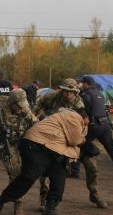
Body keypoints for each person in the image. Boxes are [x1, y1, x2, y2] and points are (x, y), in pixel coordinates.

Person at [0, 108, 89, 215]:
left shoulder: (65, 117)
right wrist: (84, 140)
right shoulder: (74, 116)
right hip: (36, 145)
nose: (86, 126)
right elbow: (75, 140)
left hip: (52, 148)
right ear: (85, 117)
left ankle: (50, 208)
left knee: (59, 177)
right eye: (87, 123)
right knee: (29, 176)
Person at [78, 76, 113, 209]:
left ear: (86, 84)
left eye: (81, 83)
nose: (80, 85)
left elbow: (84, 110)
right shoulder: (99, 93)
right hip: (105, 125)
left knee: (81, 144)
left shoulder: (85, 94)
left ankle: (73, 170)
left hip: (94, 125)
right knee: (111, 149)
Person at [33, 78, 85, 211]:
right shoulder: (51, 96)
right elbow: (37, 106)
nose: (68, 94)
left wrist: (79, 139)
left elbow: (83, 122)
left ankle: (53, 199)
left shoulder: (78, 102)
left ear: (75, 92)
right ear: (62, 90)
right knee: (45, 168)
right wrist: (35, 119)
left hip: (64, 136)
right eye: (66, 91)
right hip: (48, 132)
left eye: (71, 92)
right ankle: (44, 199)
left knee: (58, 170)